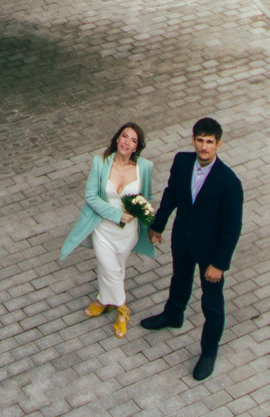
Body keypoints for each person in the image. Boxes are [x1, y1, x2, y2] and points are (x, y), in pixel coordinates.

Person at [142, 117, 243, 380]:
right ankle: (173, 315)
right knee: (179, 279)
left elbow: (232, 228)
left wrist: (219, 264)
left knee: (212, 303)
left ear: (219, 144)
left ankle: (209, 352)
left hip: (211, 252)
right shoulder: (182, 161)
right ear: (193, 140)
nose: (204, 147)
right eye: (200, 140)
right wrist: (158, 225)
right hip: (183, 239)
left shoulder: (229, 182)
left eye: (209, 142)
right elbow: (171, 194)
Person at [58, 122, 157, 336]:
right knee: (110, 268)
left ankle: (103, 300)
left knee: (115, 269)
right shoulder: (100, 162)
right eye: (124, 136)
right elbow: (91, 196)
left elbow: (147, 198)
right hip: (103, 228)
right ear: (117, 138)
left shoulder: (145, 167)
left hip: (127, 233)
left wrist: (149, 224)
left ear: (137, 147)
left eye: (133, 140)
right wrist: (116, 214)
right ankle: (122, 309)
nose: (127, 142)